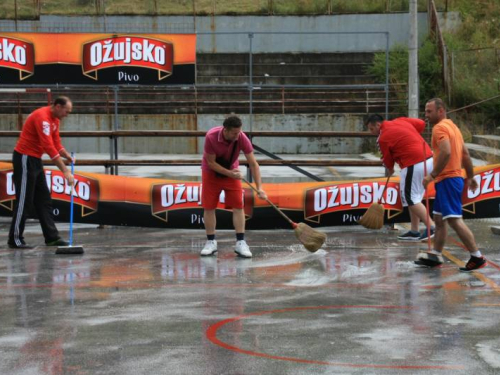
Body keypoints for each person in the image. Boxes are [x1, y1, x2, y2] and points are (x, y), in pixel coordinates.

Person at [417, 98, 487, 271]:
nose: (426, 115)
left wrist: (431, 175)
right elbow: (465, 154)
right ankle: (435, 255)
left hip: (448, 179)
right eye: (425, 111)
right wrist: (470, 176)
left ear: (441, 111)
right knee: (439, 220)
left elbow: (447, 151)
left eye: (429, 111)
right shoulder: (453, 127)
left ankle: (477, 257)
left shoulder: (439, 128)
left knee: (454, 220)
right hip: (449, 180)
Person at [8, 96, 75, 249]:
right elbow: (48, 147)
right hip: (25, 158)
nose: (67, 115)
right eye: (67, 111)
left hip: (36, 159)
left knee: (44, 200)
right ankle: (15, 239)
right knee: (24, 200)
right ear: (58, 106)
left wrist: (66, 155)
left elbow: (56, 142)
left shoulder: (55, 120)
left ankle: (51, 237)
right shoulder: (42, 118)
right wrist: (65, 172)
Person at [200, 115, 267, 258]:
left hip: (232, 172)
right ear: (225, 130)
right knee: (209, 207)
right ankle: (211, 242)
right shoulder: (211, 137)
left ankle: (241, 242)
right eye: (234, 133)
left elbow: (253, 164)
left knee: (238, 206)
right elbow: (211, 163)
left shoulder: (241, 137)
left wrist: (259, 187)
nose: (238, 136)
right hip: (211, 173)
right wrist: (230, 174)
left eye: (239, 132)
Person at [366, 114, 435, 241]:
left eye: (371, 129)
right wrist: (407, 135)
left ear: (378, 125)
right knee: (415, 198)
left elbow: (387, 159)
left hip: (414, 163)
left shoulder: (382, 138)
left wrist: (390, 169)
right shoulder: (400, 121)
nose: (371, 132)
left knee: (410, 199)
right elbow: (421, 124)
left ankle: (431, 227)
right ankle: (414, 231)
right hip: (429, 159)